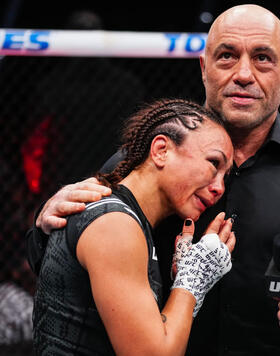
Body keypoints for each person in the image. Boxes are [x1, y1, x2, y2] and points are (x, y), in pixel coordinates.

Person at [26, 4, 280, 355]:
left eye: (263, 58)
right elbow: (64, 266)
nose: (243, 74)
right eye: (227, 56)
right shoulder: (147, 161)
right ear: (204, 69)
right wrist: (50, 224)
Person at [32, 99, 234, 355]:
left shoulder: (121, 215)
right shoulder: (115, 224)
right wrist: (193, 278)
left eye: (225, 177)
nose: (220, 187)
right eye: (214, 163)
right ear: (161, 150)